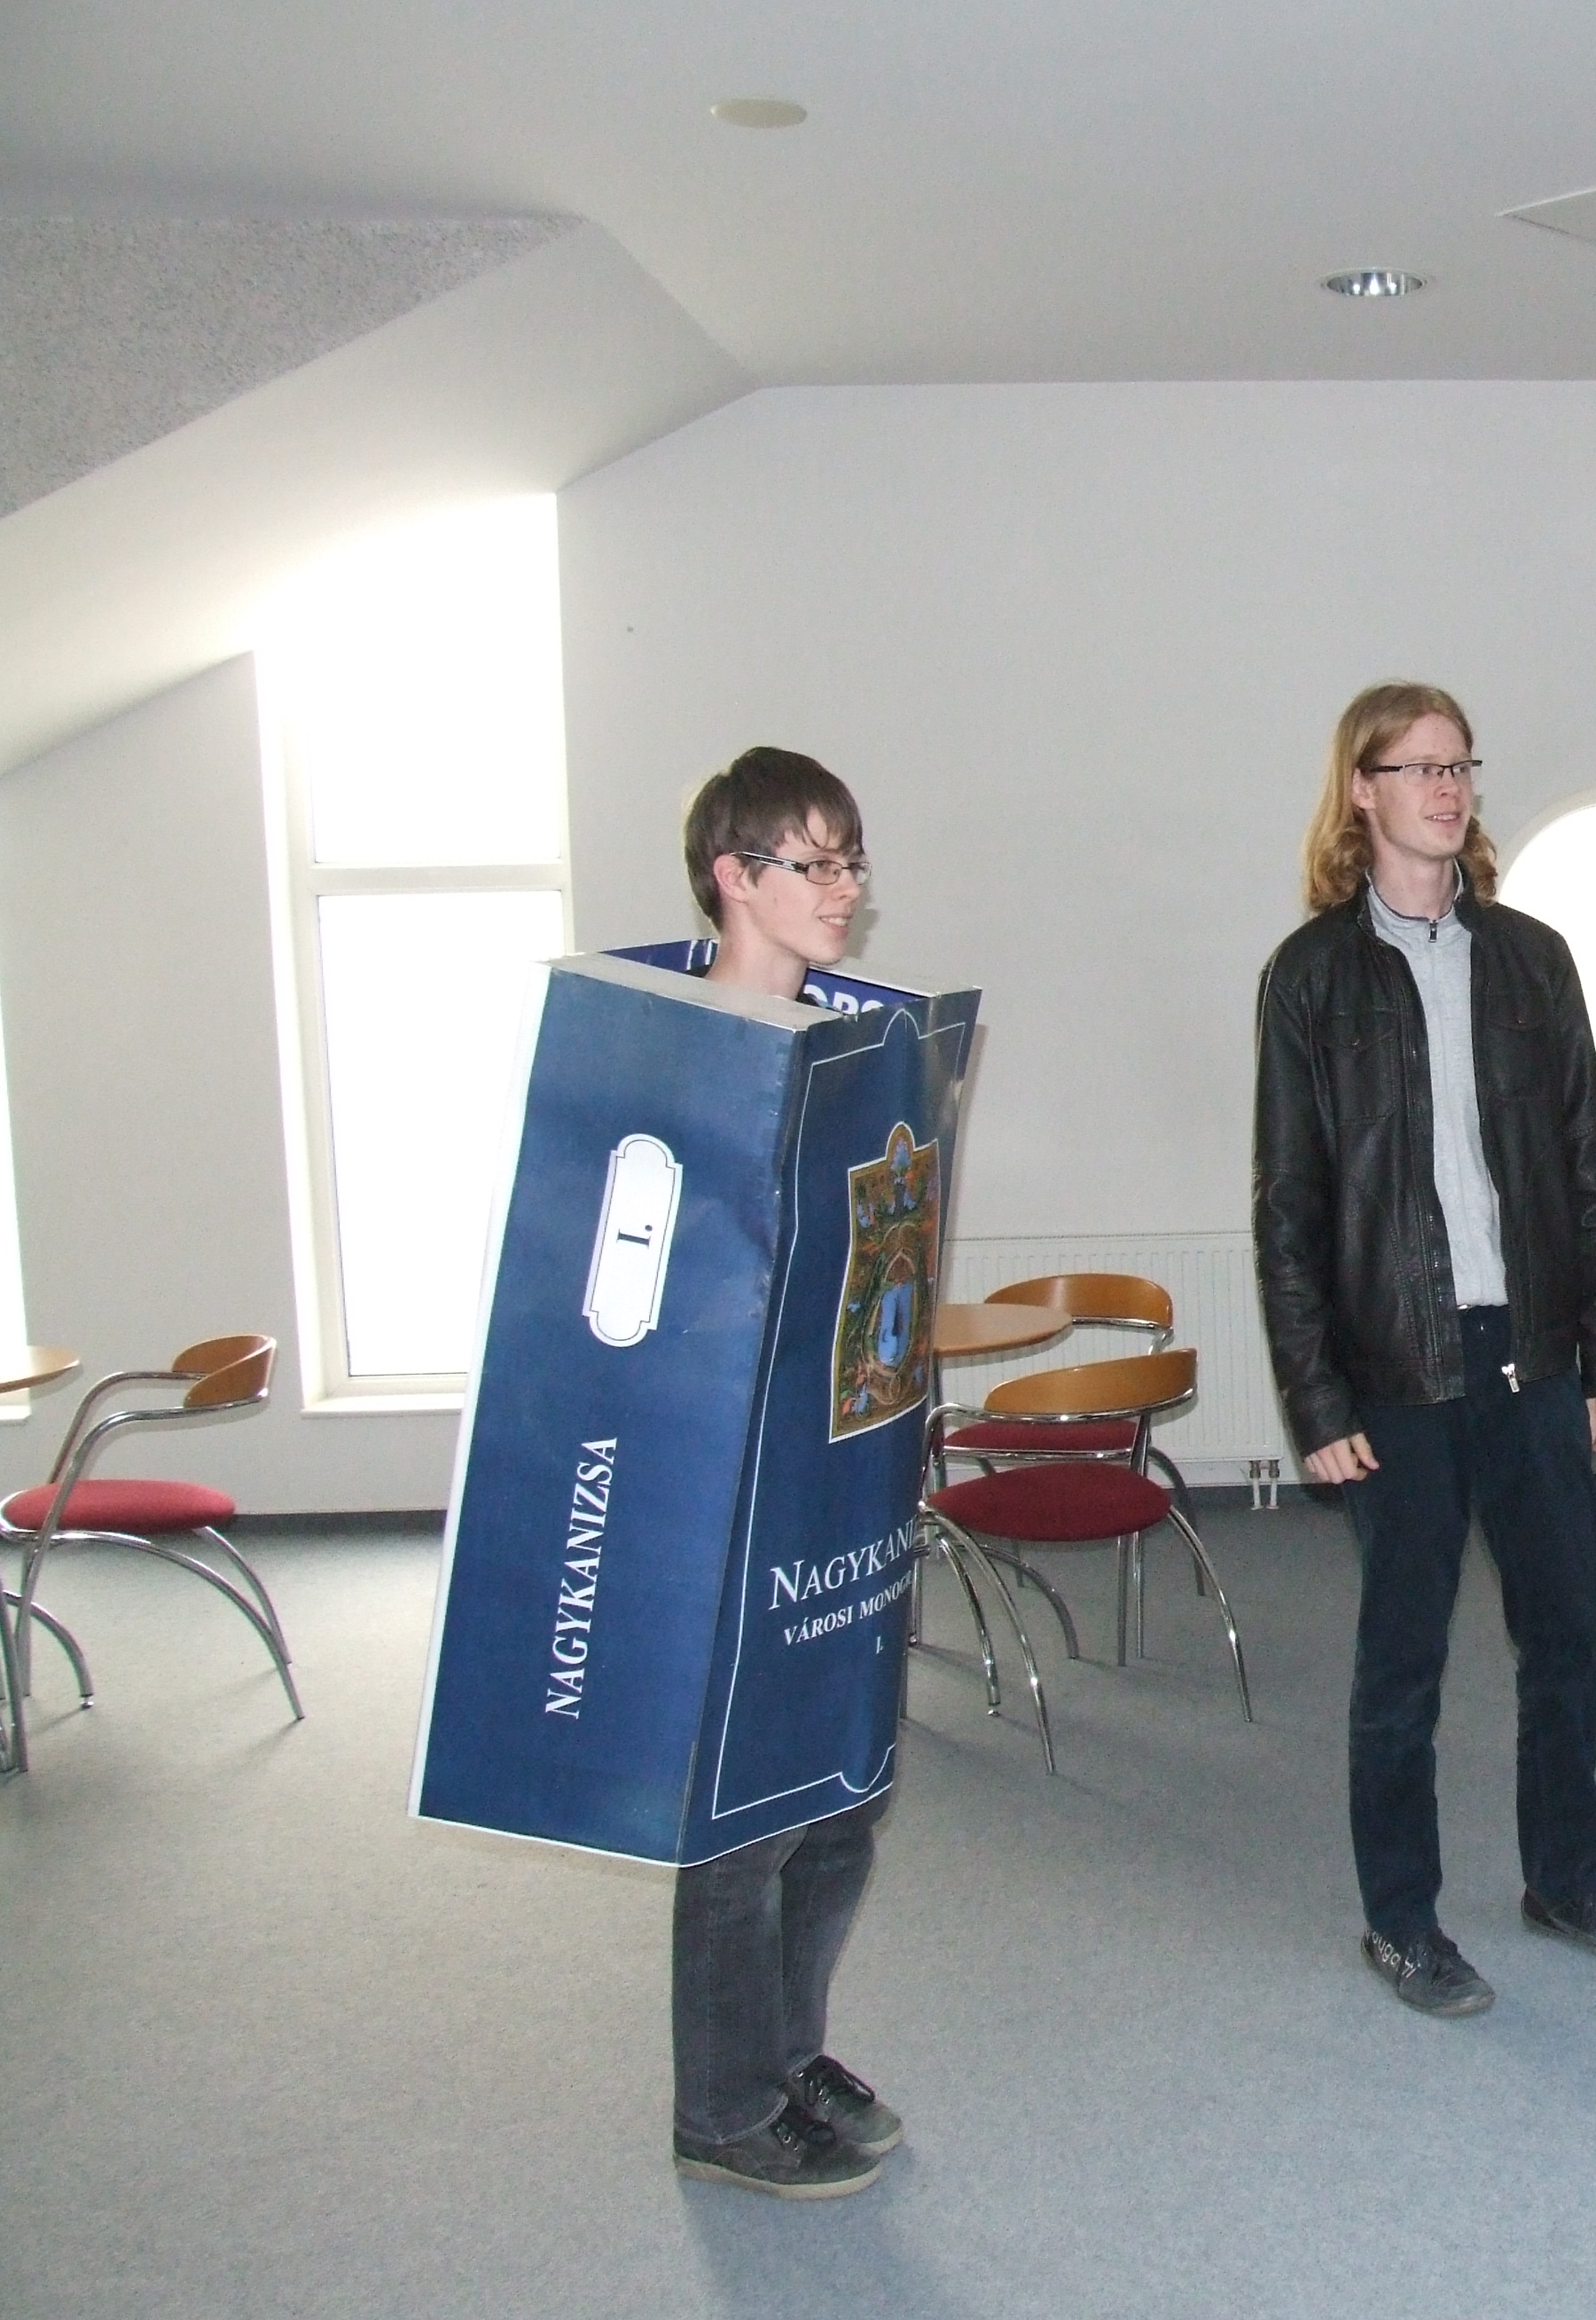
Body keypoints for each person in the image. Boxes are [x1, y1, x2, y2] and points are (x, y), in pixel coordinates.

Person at [1251, 680, 1596, 2018]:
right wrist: (1316, 1398)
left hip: (1534, 1356)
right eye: (1417, 767)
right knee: (1403, 1666)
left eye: (1460, 766)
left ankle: (1569, 1878)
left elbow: (1592, 1166)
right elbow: (1288, 1208)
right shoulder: (1311, 977)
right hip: (1397, 1372)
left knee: (1567, 1644)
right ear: (1361, 791)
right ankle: (1402, 1919)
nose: (1446, 789)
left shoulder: (1534, 960)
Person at [667, 746, 906, 2197]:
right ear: (734, 878)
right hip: (721, 1487)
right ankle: (721, 2107)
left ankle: (787, 2050)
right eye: (813, 862)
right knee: (742, 1814)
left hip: (836, 1477)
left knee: (843, 1793)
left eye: (851, 859)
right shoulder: (670, 1054)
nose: (843, 888)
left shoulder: (857, 1050)